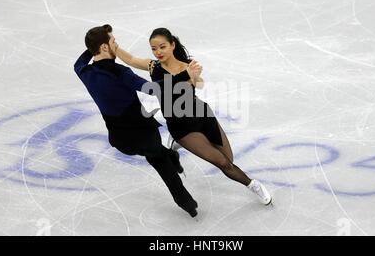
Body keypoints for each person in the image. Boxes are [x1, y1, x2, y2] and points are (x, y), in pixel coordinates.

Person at [109, 28, 273, 206]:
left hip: (202, 115)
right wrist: (114, 47)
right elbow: (133, 60)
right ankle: (253, 185)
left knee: (229, 160)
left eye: (162, 47)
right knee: (224, 164)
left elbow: (199, 84)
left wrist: (196, 77)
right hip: (182, 126)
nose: (158, 52)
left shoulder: (188, 66)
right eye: (154, 49)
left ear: (172, 45)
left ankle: (179, 142)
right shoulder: (153, 67)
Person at [74, 24, 202, 217]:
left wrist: (94, 45)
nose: (116, 45)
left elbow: (81, 60)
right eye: (113, 42)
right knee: (160, 162)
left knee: (157, 154)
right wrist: (185, 75)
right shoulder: (120, 73)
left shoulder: (83, 70)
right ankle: (187, 203)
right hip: (143, 134)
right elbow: (153, 89)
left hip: (119, 140)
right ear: (104, 47)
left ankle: (172, 158)